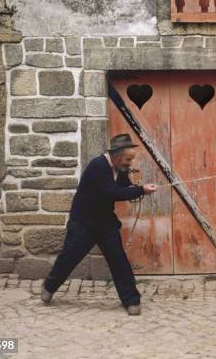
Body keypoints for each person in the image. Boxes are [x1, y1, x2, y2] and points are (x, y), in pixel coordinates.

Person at [41, 133, 158, 315]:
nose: (129, 163)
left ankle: (131, 300)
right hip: (83, 222)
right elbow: (112, 193)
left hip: (105, 222)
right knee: (68, 258)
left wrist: (139, 189)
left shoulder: (120, 168)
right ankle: (49, 287)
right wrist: (141, 190)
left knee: (118, 260)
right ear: (117, 155)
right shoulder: (98, 166)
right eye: (128, 159)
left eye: (131, 160)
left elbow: (124, 188)